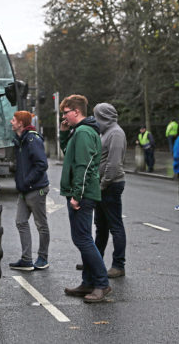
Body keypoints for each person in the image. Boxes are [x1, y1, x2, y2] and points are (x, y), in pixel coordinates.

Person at [59, 94, 110, 303]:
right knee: (83, 239)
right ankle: (88, 282)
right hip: (80, 192)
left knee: (83, 240)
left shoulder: (84, 132)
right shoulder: (77, 132)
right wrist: (63, 134)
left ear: (76, 111)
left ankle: (101, 284)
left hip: (82, 194)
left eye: (65, 113)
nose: (64, 117)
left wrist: (77, 195)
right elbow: (69, 157)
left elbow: (84, 166)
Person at [8, 111, 50, 271]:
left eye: (14, 120)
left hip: (36, 189)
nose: (11, 122)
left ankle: (43, 258)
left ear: (21, 123)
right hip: (25, 190)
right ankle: (26, 259)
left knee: (41, 224)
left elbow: (42, 164)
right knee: (20, 222)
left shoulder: (32, 139)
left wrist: (27, 181)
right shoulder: (21, 140)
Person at [92, 103, 127, 278]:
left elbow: (113, 165)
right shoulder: (105, 132)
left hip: (111, 185)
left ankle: (118, 265)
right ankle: (95, 261)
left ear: (104, 116)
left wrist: (102, 185)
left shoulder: (115, 133)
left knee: (115, 226)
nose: (95, 120)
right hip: (103, 186)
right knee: (101, 226)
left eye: (97, 116)